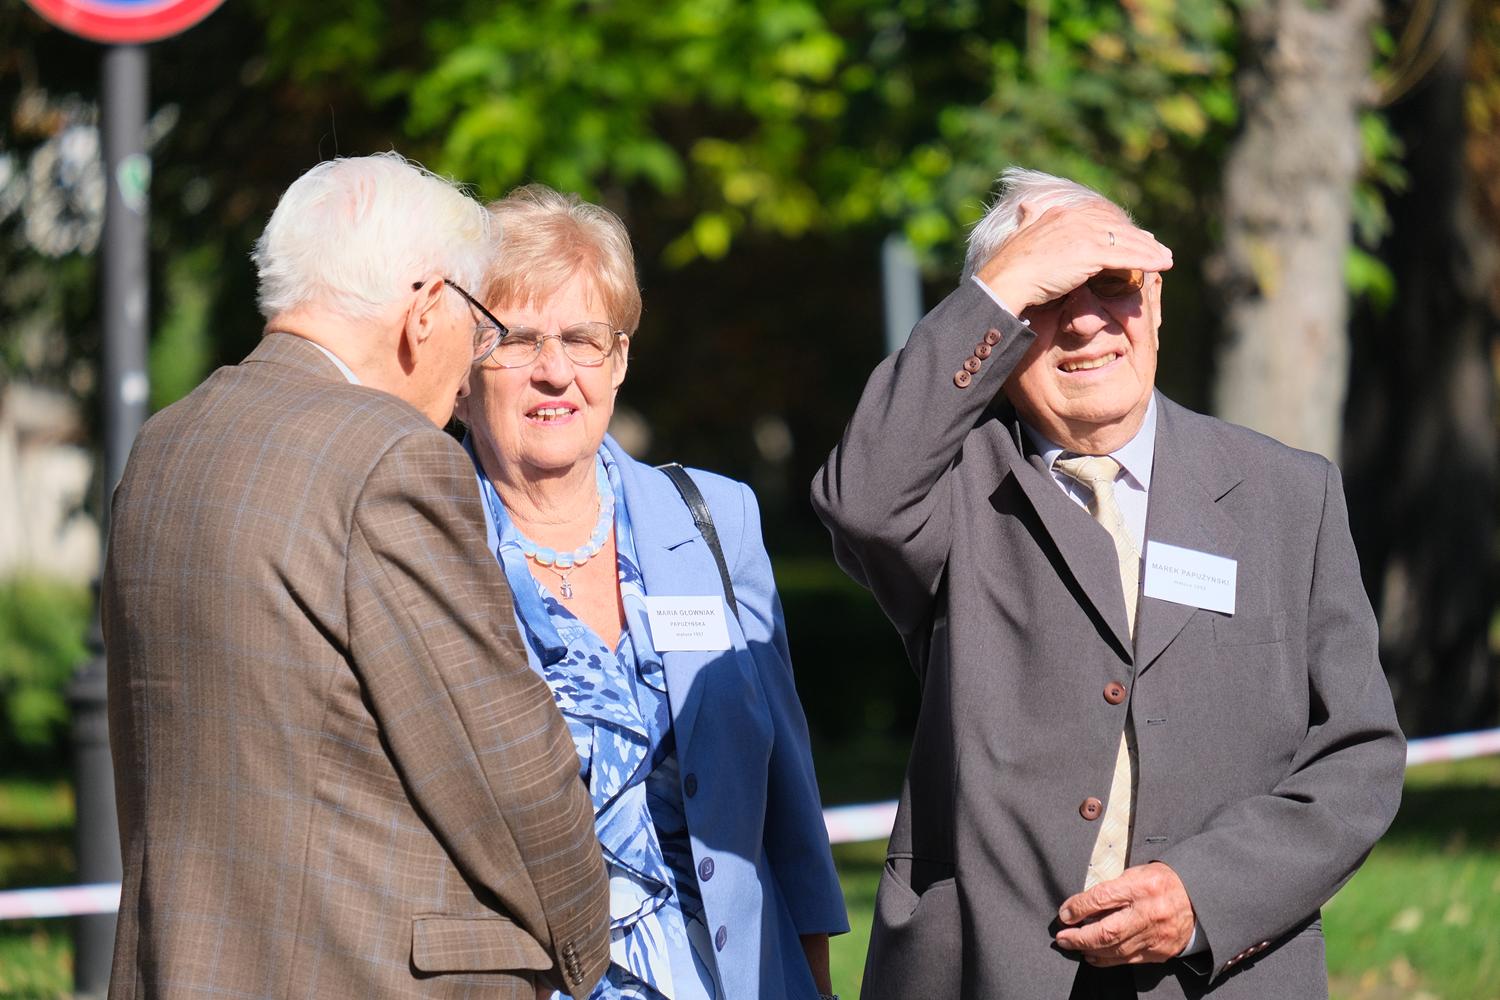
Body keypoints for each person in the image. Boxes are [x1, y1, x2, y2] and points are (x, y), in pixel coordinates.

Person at [812, 167, 1405, 999]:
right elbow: (859, 497)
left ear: (1156, 301)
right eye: (1047, 295)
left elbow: (1357, 757)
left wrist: (1202, 897)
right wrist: (1003, 282)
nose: (1086, 320)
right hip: (984, 973)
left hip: (1216, 975)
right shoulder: (950, 489)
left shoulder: (1287, 493)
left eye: (1114, 284)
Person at [103, 154, 610, 1000]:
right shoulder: (390, 458)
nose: (472, 362)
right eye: (481, 326)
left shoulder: (165, 445)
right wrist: (589, 946)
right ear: (426, 308)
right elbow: (502, 758)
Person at [453, 183, 848, 1000]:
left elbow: (788, 792)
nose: (555, 372)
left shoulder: (714, 518)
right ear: (464, 365)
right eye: (517, 340)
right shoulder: (428, 538)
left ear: (620, 360)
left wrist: (811, 976)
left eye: (582, 339)